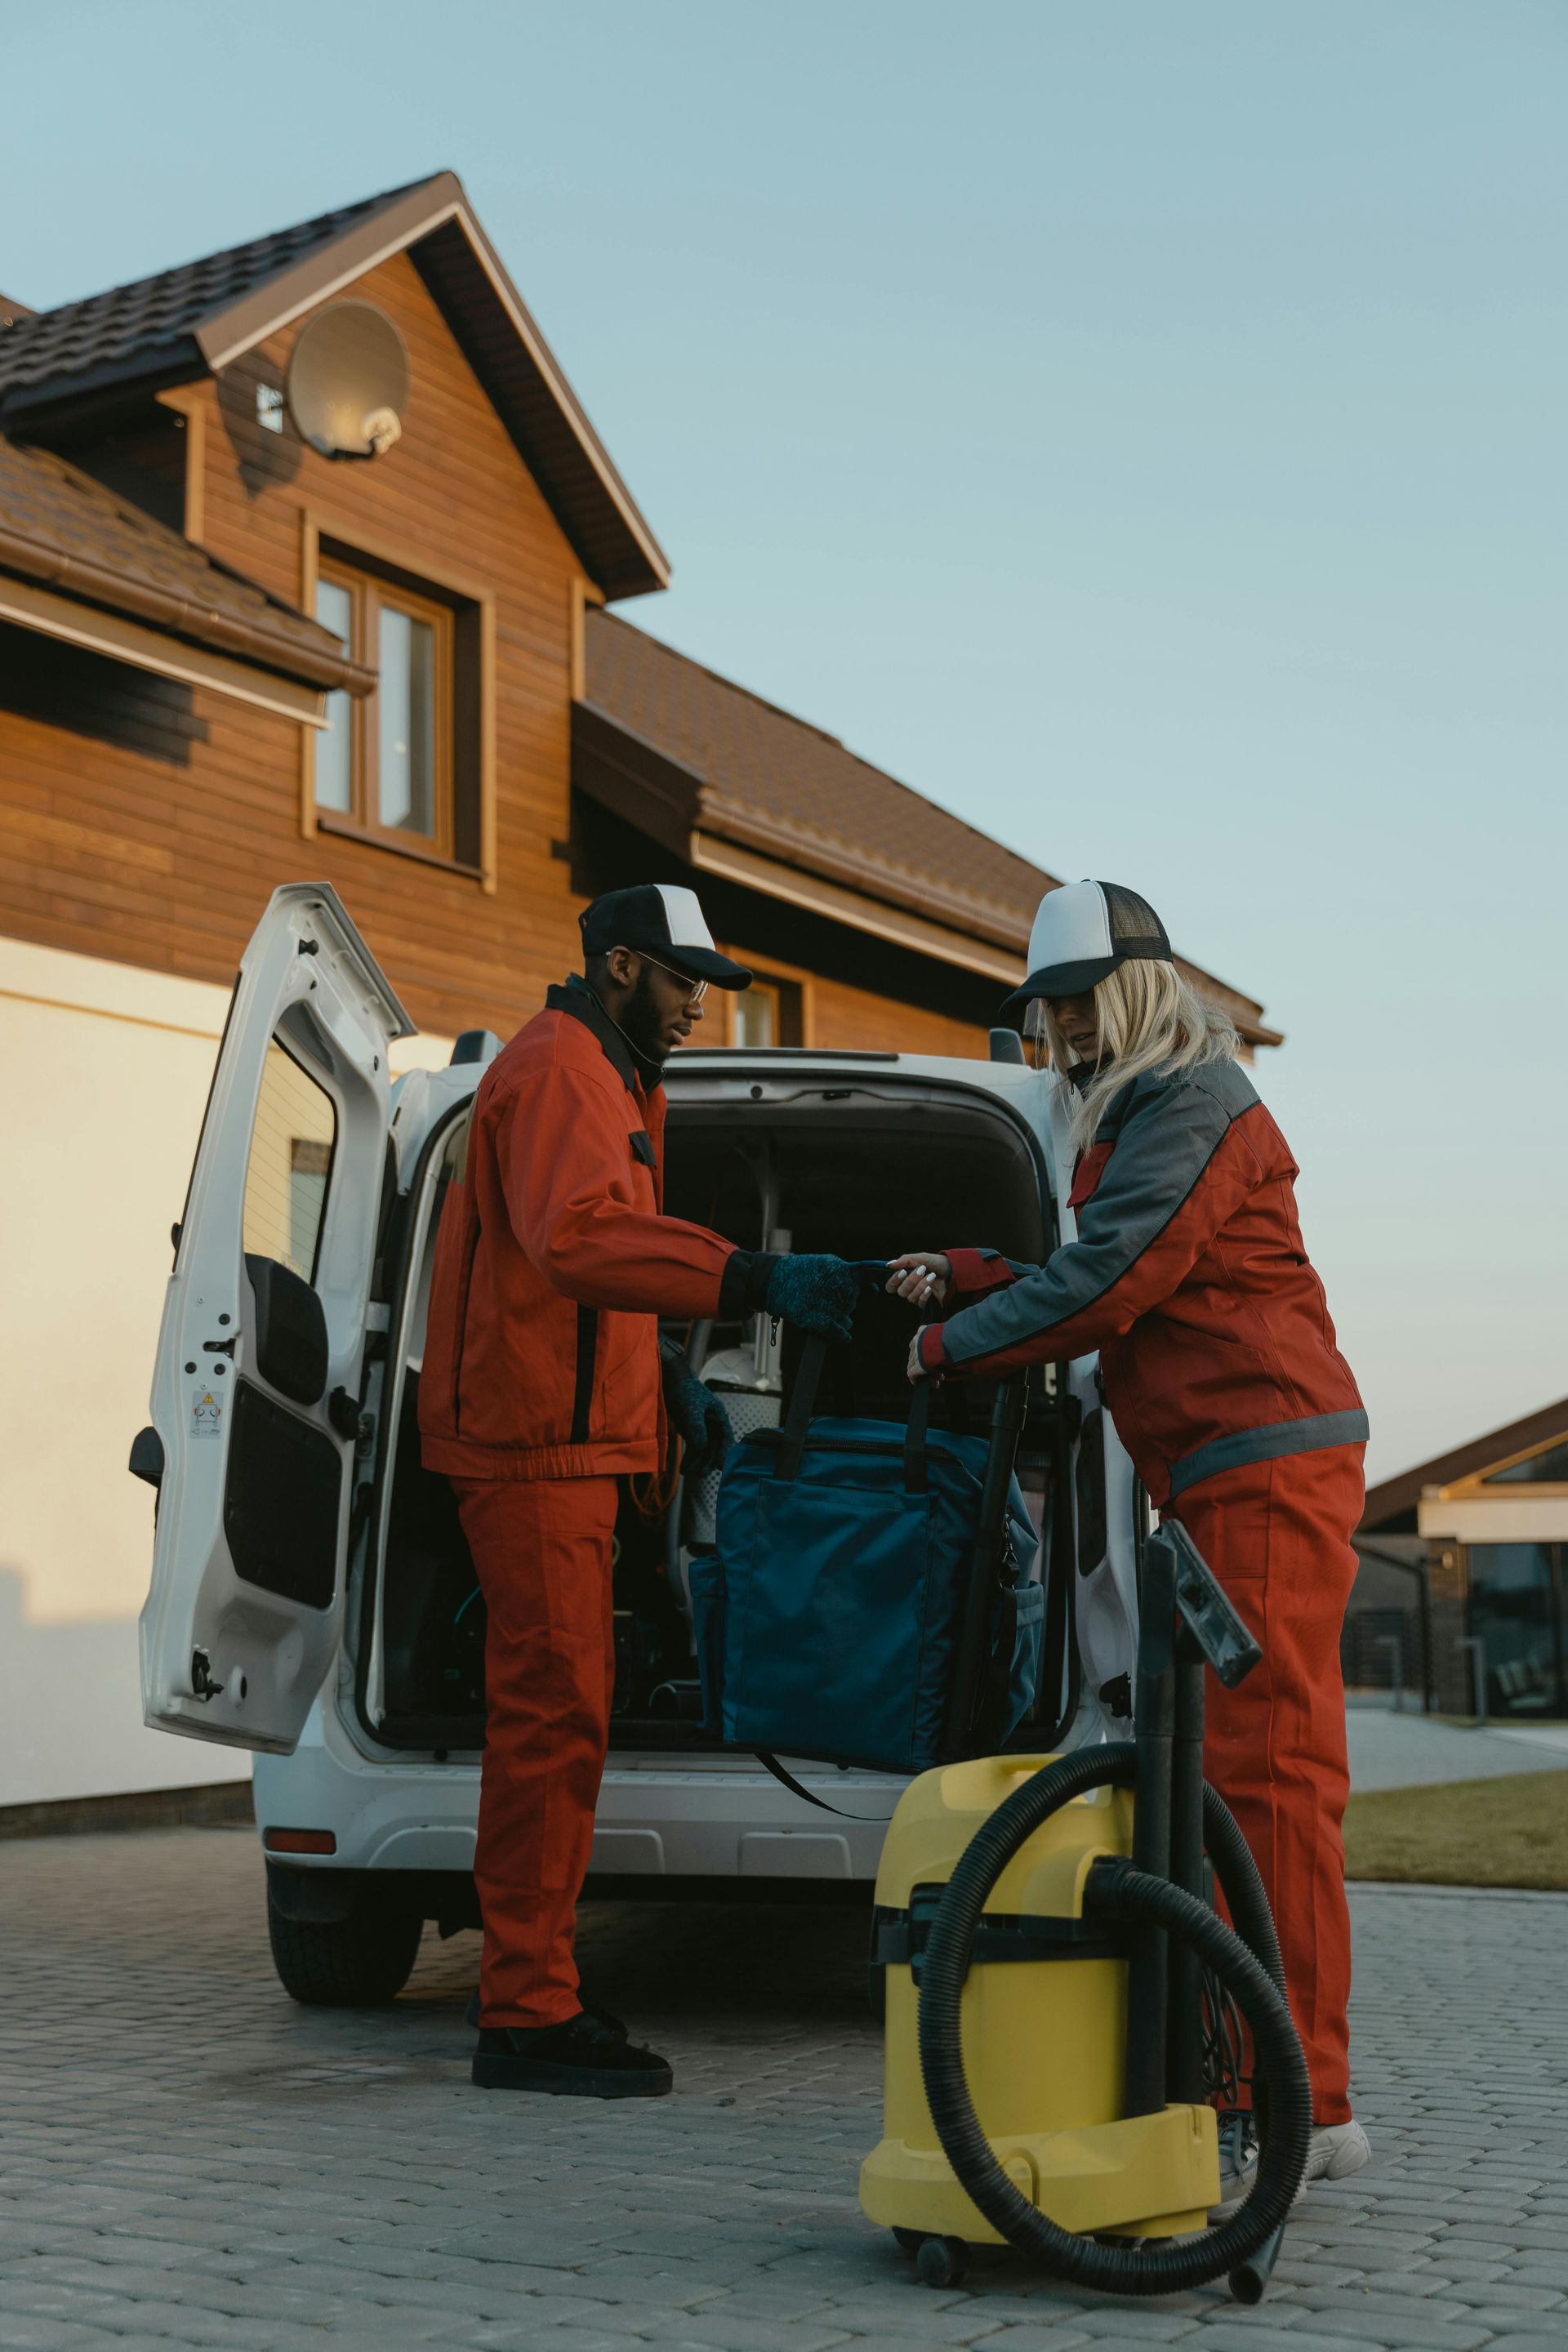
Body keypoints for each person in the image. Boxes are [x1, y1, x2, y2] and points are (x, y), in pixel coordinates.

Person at [887, 878, 1371, 2206]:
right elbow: (1110, 1259)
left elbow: (1114, 1278)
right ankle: (1246, 2073)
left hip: (1263, 1462)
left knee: (1272, 1783)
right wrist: (979, 1279)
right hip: (1224, 1470)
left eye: (1074, 1005)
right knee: (1231, 1780)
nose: (1061, 1034)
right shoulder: (1143, 1113)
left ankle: (1302, 2100)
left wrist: (948, 1345)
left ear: (1134, 989)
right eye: (1048, 1014)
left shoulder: (1195, 1102)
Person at [421, 883, 862, 2099]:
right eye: (683, 984)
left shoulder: (610, 1077)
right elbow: (579, 1240)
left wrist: (668, 1380)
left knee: (562, 1721)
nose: (698, 1011)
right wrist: (756, 1278)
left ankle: (536, 1984)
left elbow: (585, 1274)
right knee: (550, 1725)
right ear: (620, 967)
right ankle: (524, 2015)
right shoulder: (564, 1073)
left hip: (569, 1443)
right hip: (531, 1452)